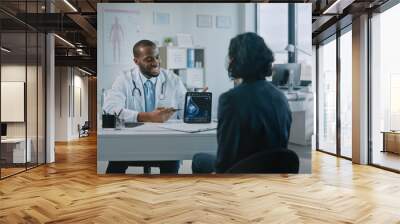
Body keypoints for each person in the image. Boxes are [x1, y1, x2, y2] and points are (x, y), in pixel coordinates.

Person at [192, 32, 292, 173]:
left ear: (235, 60)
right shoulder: (281, 97)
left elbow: (224, 160)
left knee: (199, 159)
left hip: (241, 174)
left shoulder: (230, 99)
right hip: (274, 172)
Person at [103, 40, 187, 174]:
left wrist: (196, 103)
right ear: (136, 61)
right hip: (131, 142)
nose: (156, 62)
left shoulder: (173, 79)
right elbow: (110, 108)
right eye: (149, 59)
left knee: (172, 162)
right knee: (115, 166)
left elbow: (186, 111)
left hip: (164, 142)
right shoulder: (124, 79)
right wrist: (147, 117)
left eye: (157, 57)